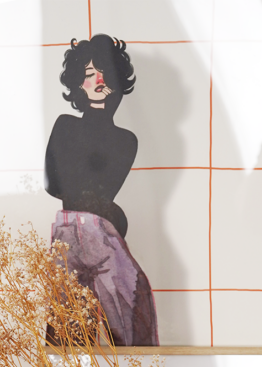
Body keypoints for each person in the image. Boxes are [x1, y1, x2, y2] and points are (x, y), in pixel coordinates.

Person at [45, 35, 159, 346]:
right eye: (89, 74)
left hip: (108, 235)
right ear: (77, 83)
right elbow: (54, 186)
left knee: (129, 322)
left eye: (105, 73)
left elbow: (98, 189)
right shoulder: (65, 125)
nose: (98, 81)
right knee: (69, 334)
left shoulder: (126, 140)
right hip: (73, 235)